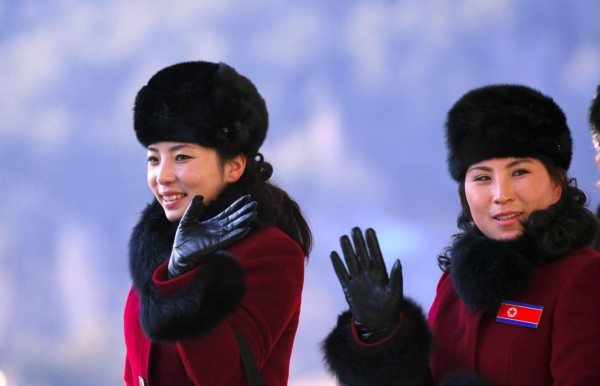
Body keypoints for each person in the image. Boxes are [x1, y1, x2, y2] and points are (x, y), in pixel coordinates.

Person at [321, 84, 600, 385]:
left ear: (557, 185)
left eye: (519, 172)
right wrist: (381, 338)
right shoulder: (453, 284)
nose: (500, 194)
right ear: (464, 193)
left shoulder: (583, 277)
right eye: (482, 177)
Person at [123, 60, 312, 386]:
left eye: (182, 157)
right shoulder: (157, 248)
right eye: (154, 158)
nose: (162, 177)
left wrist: (183, 280)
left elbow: (230, 377)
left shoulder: (273, 254)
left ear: (234, 166)